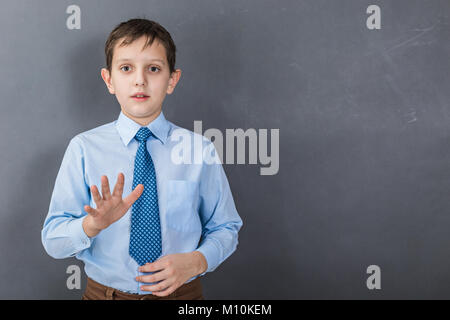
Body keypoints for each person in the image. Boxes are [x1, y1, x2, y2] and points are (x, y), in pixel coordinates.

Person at [41, 18, 243, 300]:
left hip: (182, 296)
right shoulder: (84, 148)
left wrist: (198, 261)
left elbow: (225, 227)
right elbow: (53, 241)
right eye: (126, 68)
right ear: (109, 80)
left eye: (154, 69)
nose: (140, 80)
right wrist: (92, 225)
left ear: (172, 80)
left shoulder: (199, 150)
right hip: (104, 295)